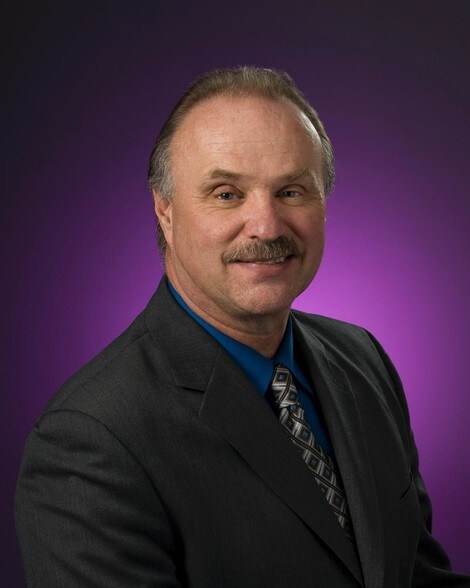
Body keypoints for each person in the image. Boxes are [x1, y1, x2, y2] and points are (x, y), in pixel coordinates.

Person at [15, 66, 469, 588]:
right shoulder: (91, 440)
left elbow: (419, 576)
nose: (267, 226)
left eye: (291, 191)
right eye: (227, 193)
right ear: (165, 211)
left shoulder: (362, 358)